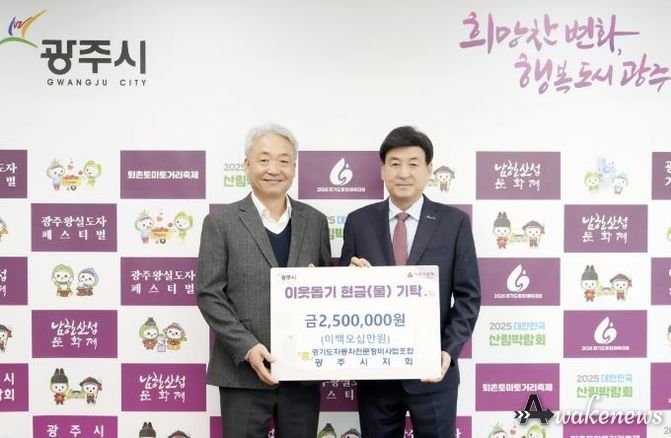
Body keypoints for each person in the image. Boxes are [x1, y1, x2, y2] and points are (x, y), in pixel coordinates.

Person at [339, 126, 480, 438]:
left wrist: (448, 351)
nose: (403, 173)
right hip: (375, 373)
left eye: (413, 163)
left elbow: (468, 296)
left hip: (433, 373)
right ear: (382, 170)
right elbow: (343, 294)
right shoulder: (359, 222)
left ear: (429, 170)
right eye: (395, 163)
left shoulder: (454, 223)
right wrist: (348, 279)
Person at [198, 124, 331, 438]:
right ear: (247, 165)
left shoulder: (315, 221)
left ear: (294, 168)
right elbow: (209, 294)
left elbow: (327, 290)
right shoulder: (220, 222)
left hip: (302, 372)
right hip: (242, 374)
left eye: (284, 161)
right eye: (264, 160)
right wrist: (248, 348)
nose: (274, 169)